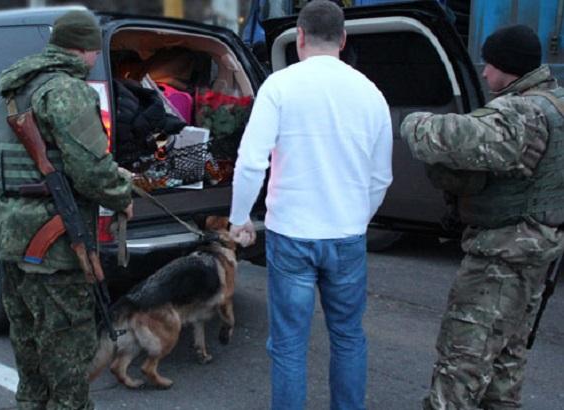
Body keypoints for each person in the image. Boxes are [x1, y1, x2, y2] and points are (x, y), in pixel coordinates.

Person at [229, 1, 393, 409]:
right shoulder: (371, 94)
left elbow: (251, 162)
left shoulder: (280, 86)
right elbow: (380, 177)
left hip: (292, 235)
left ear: (299, 37)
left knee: (288, 344)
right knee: (348, 337)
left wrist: (239, 218)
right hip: (347, 236)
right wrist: (357, 219)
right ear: (343, 39)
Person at [401, 24, 564, 410]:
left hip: (501, 256)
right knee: (507, 360)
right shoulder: (555, 103)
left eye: (490, 65)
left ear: (509, 67)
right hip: (536, 252)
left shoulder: (520, 112)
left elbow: (451, 139)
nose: (485, 73)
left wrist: (412, 121)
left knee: (461, 362)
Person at [0, 10, 134, 410]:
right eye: (95, 51)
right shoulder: (67, 89)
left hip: (12, 231)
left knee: (28, 339)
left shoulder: (17, 85)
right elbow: (91, 172)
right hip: (53, 241)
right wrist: (122, 195)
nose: (96, 58)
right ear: (85, 48)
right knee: (69, 344)